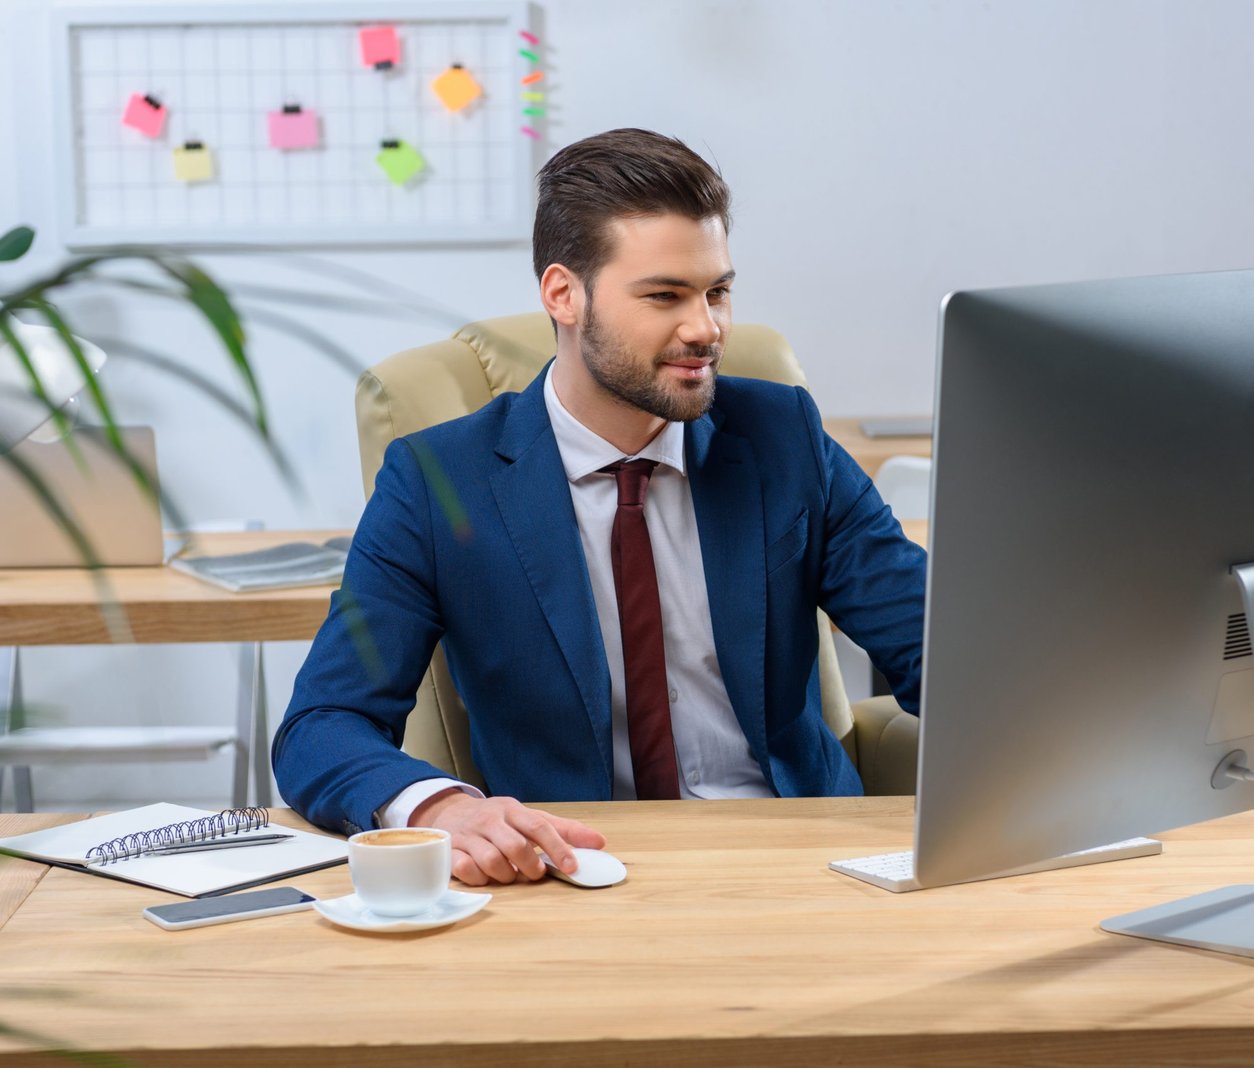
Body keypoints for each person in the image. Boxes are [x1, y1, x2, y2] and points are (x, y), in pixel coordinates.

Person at [274, 128, 927, 886]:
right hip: (569, 871)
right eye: (664, 296)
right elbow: (322, 725)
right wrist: (440, 809)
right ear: (564, 294)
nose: (705, 328)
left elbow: (935, 647)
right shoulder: (436, 481)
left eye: (717, 291)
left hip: (799, 861)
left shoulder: (784, 438)